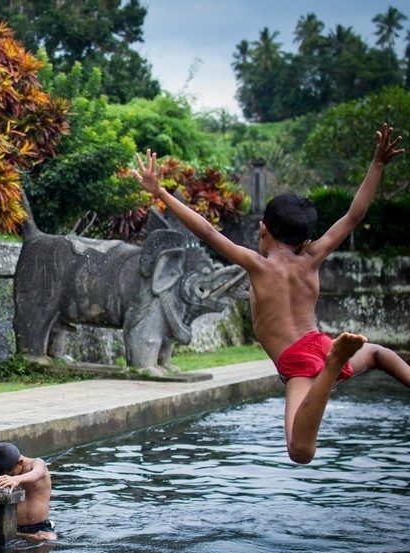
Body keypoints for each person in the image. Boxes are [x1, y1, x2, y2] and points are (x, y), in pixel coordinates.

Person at [132, 123, 409, 464]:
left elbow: (205, 230)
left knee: (300, 450)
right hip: (320, 341)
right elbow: (353, 216)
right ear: (305, 238)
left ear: (262, 229)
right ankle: (335, 361)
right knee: (380, 353)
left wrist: (161, 193)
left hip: (300, 361)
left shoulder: (257, 265)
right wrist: (378, 164)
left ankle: (334, 364)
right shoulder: (313, 256)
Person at [0, 442, 55, 541]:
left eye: (11, 474)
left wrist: (17, 479)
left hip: (39, 527)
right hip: (14, 526)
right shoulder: (3, 473)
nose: (9, 477)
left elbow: (36, 474)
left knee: (47, 540)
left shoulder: (37, 463)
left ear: (20, 463)